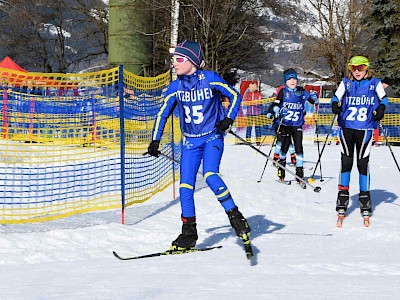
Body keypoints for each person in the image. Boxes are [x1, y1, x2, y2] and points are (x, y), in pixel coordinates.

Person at [147, 40, 251, 251]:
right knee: (185, 187)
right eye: (174, 59)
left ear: (192, 62)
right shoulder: (175, 87)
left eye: (179, 59)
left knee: (210, 175)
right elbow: (162, 113)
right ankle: (189, 233)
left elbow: (234, 95)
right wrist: (155, 139)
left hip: (212, 137)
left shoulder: (209, 78)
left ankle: (236, 217)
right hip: (190, 143)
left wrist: (228, 119)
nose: (174, 63)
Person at [330, 55, 388, 223]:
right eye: (354, 68)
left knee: (362, 163)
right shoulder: (346, 83)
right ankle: (342, 196)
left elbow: (384, 98)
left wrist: (381, 109)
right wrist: (335, 104)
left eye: (360, 68)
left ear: (366, 68)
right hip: (347, 128)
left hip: (365, 128)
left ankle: (364, 198)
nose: (357, 71)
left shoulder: (374, 83)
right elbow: (336, 96)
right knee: (346, 162)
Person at [267, 69, 318, 183]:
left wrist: (314, 98)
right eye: (290, 79)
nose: (292, 81)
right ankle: (281, 170)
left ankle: (299, 173)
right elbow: (276, 104)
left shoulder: (302, 91)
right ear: (286, 81)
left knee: (299, 148)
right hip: (285, 124)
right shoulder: (284, 92)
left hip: (297, 124)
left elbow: (312, 101)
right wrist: (276, 110)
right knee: (284, 149)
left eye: (294, 79)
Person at [271, 85, 296, 166]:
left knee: (288, 140)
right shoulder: (277, 102)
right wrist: (272, 115)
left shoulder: (289, 102)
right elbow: (271, 110)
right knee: (280, 140)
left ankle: (292, 156)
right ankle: (276, 156)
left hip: (287, 124)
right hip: (278, 124)